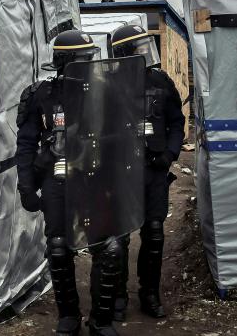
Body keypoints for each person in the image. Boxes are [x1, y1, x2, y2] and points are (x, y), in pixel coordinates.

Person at [15, 30, 124, 336]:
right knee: (60, 249)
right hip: (57, 182)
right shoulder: (40, 95)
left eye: (90, 59)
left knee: (109, 248)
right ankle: (69, 317)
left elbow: (125, 135)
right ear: (65, 63)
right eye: (82, 60)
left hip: (95, 179)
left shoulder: (105, 93)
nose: (89, 66)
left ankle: (101, 321)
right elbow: (25, 144)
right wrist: (26, 184)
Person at [109, 24, 184, 321]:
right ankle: (117, 296)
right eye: (139, 49)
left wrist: (169, 154)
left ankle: (149, 293)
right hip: (121, 174)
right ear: (124, 54)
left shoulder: (161, 81)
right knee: (120, 238)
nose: (145, 53)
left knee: (153, 234)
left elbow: (176, 122)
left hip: (154, 172)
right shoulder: (107, 85)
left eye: (145, 47)